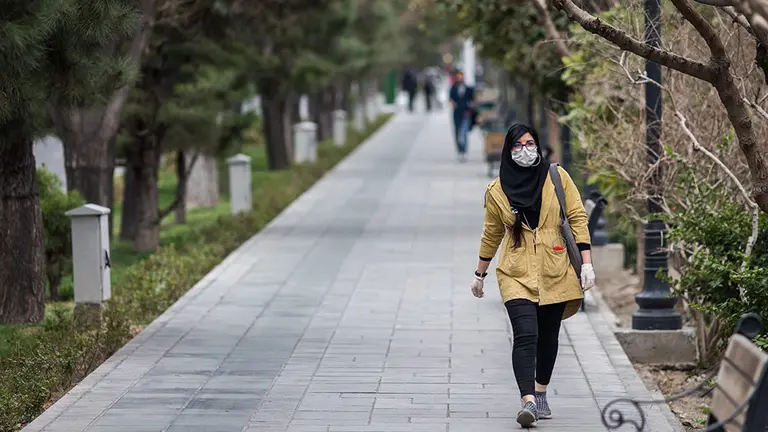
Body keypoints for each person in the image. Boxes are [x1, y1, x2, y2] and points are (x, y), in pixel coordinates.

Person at [469, 124, 596, 428]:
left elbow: (577, 217)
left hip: (555, 268)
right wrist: (479, 274)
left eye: (529, 144)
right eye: (517, 146)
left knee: (548, 335)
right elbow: (492, 233)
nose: (524, 150)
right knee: (526, 334)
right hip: (516, 271)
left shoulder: (557, 177)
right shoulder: (497, 190)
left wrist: (587, 264)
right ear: (508, 151)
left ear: (538, 146)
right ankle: (527, 401)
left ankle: (540, 393)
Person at [449, 71, 474, 162]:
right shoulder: (453, 88)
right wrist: (453, 104)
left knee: (464, 132)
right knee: (457, 132)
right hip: (456, 113)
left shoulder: (468, 89)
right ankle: (459, 150)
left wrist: (470, 108)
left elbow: (472, 100)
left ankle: (464, 150)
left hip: (465, 113)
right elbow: (450, 98)